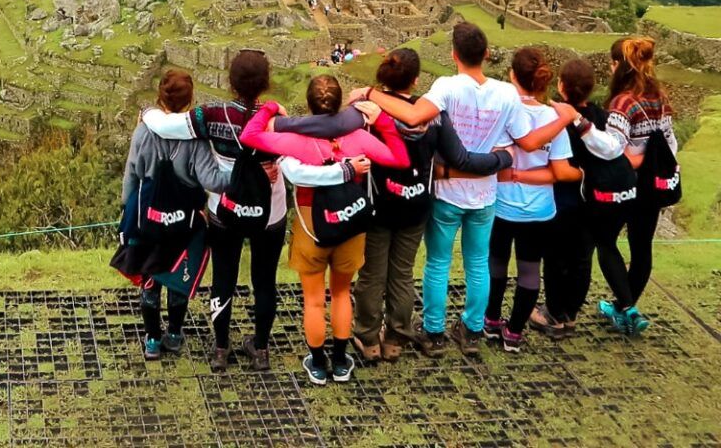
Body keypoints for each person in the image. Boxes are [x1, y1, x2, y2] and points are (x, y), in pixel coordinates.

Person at [356, 22, 574, 356]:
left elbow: (413, 115)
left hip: (448, 191)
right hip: (485, 194)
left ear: (453, 54)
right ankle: (472, 331)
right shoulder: (505, 93)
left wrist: (371, 93)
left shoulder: (447, 86)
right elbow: (529, 142)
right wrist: (563, 119)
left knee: (438, 263)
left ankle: (434, 332)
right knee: (477, 263)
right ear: (486, 54)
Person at [141, 50, 354, 372]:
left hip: (225, 208)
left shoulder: (212, 115)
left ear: (231, 81)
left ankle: (221, 348)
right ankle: (261, 348)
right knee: (264, 280)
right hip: (270, 211)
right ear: (266, 82)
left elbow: (166, 126)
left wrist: (147, 112)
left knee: (223, 278)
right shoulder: (276, 122)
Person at [241, 76, 409, 386]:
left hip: (311, 223)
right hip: (350, 219)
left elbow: (249, 135)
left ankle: (318, 363)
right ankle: (341, 360)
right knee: (342, 293)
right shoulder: (358, 137)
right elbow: (400, 158)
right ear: (339, 102)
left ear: (309, 105)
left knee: (314, 299)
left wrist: (270, 108)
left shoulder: (294, 140)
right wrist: (384, 122)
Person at [349, 48, 512, 362]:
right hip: (415, 205)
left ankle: (368, 339)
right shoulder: (434, 115)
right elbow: (460, 157)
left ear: (383, 77)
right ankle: (395, 339)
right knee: (402, 273)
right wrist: (502, 159)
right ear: (415, 80)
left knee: (372, 274)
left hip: (378, 205)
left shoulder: (366, 112)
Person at [117, 70, 228, 359]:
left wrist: (127, 211)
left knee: (150, 277)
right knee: (178, 276)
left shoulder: (143, 132)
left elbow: (131, 175)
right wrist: (242, 172)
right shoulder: (195, 141)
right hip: (184, 222)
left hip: (148, 219)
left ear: (160, 97)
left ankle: (152, 339)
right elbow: (212, 180)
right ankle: (175, 334)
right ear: (190, 100)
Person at [483, 48, 577, 353]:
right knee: (529, 270)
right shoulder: (553, 119)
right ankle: (514, 332)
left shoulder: (503, 111)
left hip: (500, 204)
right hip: (538, 209)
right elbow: (558, 171)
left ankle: (491, 320)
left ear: (512, 75)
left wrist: (513, 175)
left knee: (496, 262)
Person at [533, 59, 633, 338]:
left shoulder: (557, 119)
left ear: (561, 86)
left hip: (562, 200)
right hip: (593, 202)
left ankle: (553, 314)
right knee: (581, 258)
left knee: (555, 259)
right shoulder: (601, 117)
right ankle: (571, 314)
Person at [603, 36, 679, 333]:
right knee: (642, 247)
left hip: (628, 186)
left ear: (617, 65)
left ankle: (625, 306)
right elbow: (670, 143)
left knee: (605, 241)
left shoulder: (623, 103)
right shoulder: (660, 96)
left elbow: (614, 149)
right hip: (654, 186)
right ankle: (626, 307)